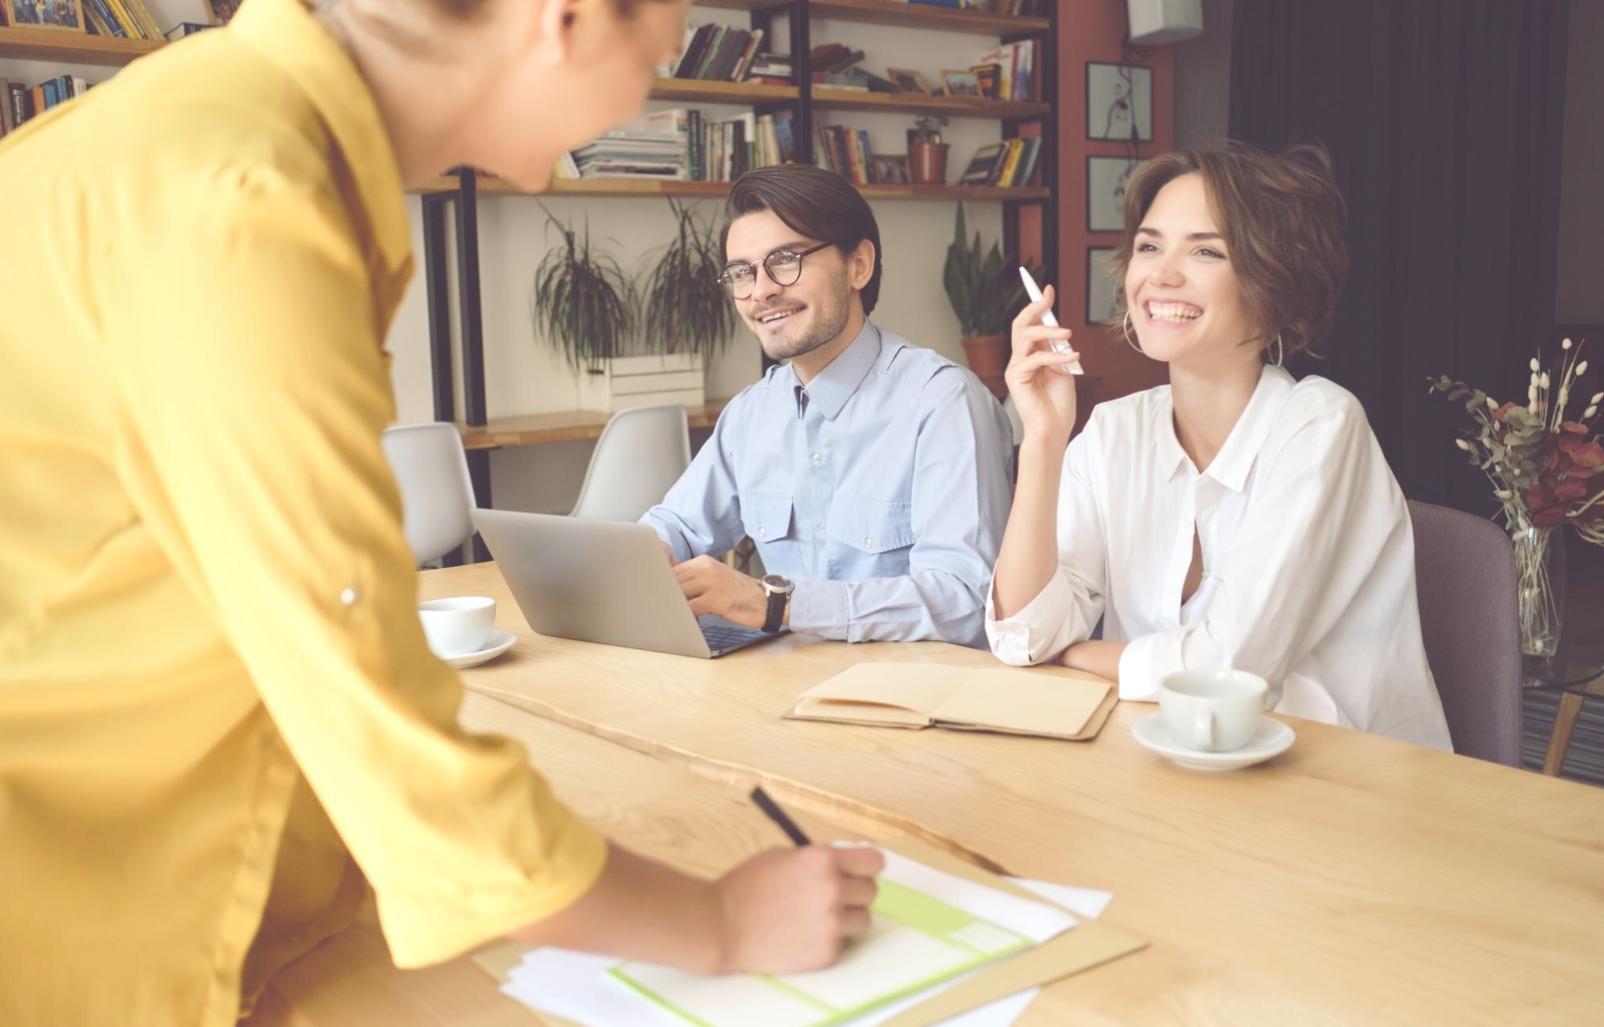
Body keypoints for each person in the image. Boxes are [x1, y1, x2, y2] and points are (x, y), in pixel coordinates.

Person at [0, 0, 883, 1023]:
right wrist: (720, 925)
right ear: (565, 19)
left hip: (167, 862)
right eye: (659, 44)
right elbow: (360, 687)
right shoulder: (244, 201)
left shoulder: (197, 127)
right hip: (72, 891)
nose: (644, 92)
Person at [987, 140, 1452, 748]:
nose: (1161, 274)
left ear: (1271, 284)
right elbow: (1023, 636)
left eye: (1205, 250)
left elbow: (1233, 669)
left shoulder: (1321, 426)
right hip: (1174, 763)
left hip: (1339, 780)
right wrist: (1043, 441)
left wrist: (1074, 656)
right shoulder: (1113, 432)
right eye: (1149, 246)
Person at [642, 164, 1014, 647]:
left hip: (911, 698)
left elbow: (964, 600)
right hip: (786, 685)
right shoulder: (751, 414)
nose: (761, 291)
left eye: (786, 260)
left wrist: (775, 604)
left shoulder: (945, 404)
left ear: (858, 265)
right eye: (742, 273)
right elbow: (677, 527)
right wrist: (637, 556)